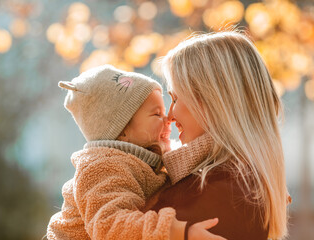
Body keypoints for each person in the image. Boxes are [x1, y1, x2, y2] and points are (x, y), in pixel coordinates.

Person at [46, 65, 225, 240]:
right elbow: (110, 225)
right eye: (157, 114)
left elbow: (185, 158)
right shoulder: (101, 167)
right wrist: (179, 232)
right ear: (122, 130)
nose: (169, 119)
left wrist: (219, 140)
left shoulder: (146, 159)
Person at [149, 31, 290, 240]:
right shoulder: (238, 186)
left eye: (176, 98)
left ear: (212, 100)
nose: (169, 116)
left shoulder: (222, 193)